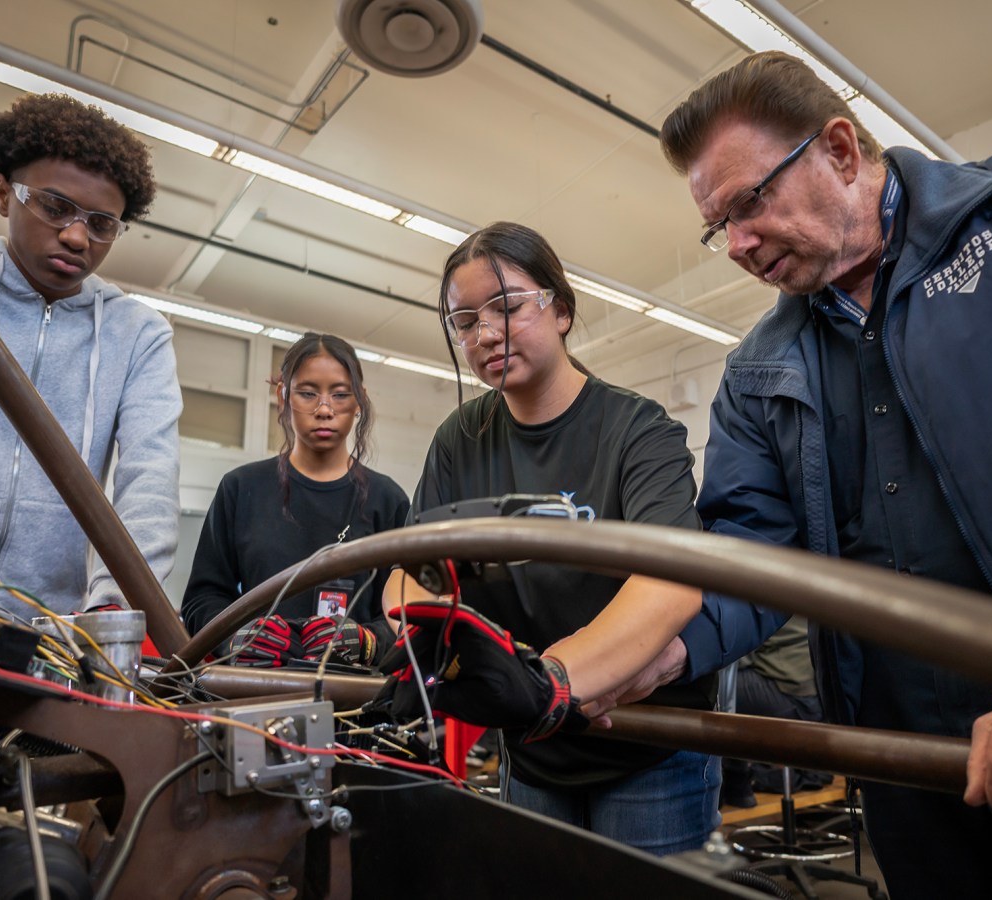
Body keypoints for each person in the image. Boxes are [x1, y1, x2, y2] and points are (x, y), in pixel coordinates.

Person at [619, 50, 992, 897]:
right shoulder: (757, 373)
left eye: (748, 202)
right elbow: (747, 554)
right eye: (718, 226)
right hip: (906, 765)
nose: (736, 244)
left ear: (841, 152)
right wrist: (661, 655)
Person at [380, 222, 716, 856]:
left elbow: (670, 585)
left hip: (644, 748)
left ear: (560, 310)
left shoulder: (637, 430)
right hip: (532, 748)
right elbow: (409, 572)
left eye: (506, 308)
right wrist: (423, 643)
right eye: (464, 321)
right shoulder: (461, 438)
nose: (484, 335)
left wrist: (546, 681)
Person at [0, 93, 181, 618]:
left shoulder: (137, 333)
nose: (78, 235)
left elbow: (149, 478)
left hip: (48, 631)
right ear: (1, 192)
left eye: (102, 224)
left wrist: (115, 606)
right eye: (55, 207)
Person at [182, 333, 409, 668]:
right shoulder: (241, 488)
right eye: (307, 393)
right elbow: (202, 600)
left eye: (341, 394)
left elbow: (405, 616)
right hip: (253, 691)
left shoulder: (388, 501)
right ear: (283, 395)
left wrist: (369, 641)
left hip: (355, 701)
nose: (324, 410)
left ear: (360, 401)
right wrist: (235, 636)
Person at [721, 615, 827, 808]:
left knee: (717, 683)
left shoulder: (761, 590)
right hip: (818, 699)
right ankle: (741, 779)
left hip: (792, 697)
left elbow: (736, 651)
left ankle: (736, 781)